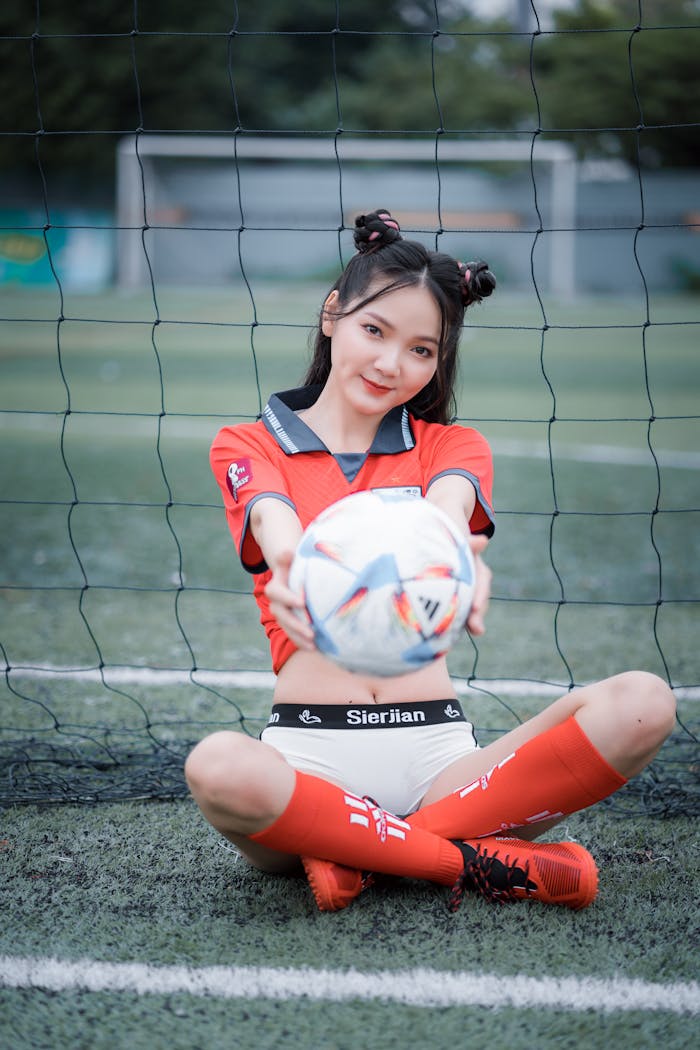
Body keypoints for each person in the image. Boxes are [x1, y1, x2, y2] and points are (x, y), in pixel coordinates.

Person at [185, 209, 676, 913]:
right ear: (333, 313)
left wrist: (456, 560)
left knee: (644, 704)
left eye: (421, 350)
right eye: (374, 331)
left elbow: (445, 516)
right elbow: (274, 520)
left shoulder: (452, 446)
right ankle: (459, 860)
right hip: (307, 761)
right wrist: (294, 565)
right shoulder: (246, 443)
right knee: (218, 767)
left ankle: (359, 852)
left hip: (441, 763)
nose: (392, 364)